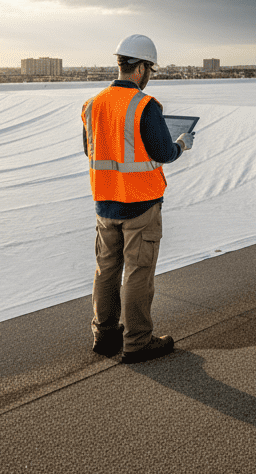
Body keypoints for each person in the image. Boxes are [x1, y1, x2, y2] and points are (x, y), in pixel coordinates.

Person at [81, 34, 194, 363]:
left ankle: (104, 335)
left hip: (105, 203)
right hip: (141, 205)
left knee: (106, 270)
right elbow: (163, 152)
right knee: (137, 273)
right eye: (150, 70)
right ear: (141, 67)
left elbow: (92, 150)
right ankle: (138, 342)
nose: (148, 76)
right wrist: (181, 144)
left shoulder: (92, 105)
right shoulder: (146, 106)